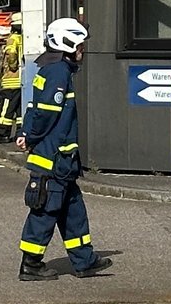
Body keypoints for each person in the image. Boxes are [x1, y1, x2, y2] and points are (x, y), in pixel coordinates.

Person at [16, 18, 110, 280]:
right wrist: (31, 136)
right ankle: (31, 264)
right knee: (45, 211)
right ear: (67, 45)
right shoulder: (58, 71)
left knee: (73, 210)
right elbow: (46, 112)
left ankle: (84, 260)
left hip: (63, 159)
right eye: (80, 46)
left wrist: (26, 133)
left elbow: (35, 109)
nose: (83, 51)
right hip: (53, 159)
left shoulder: (54, 68)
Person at [0, 18, 23, 142]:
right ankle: (20, 133)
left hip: (11, 80)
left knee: (6, 109)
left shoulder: (13, 39)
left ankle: (3, 134)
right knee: (20, 109)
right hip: (22, 80)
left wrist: (13, 66)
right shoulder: (25, 38)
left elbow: (11, 53)